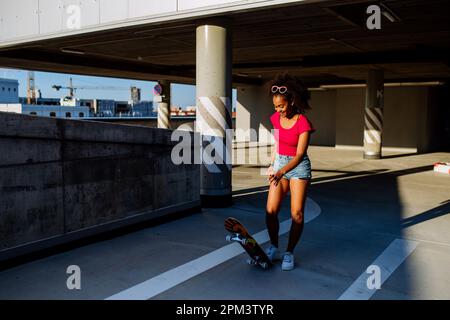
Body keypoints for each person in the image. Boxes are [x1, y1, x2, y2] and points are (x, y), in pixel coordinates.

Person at [265, 73, 315, 271]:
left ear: (292, 101)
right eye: (276, 106)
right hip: (280, 164)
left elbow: (300, 154)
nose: (279, 110)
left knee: (297, 214)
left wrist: (281, 171)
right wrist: (272, 165)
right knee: (270, 211)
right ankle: (273, 247)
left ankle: (289, 252)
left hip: (298, 167)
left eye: (282, 106)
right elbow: (277, 143)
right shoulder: (275, 119)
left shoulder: (303, 122)